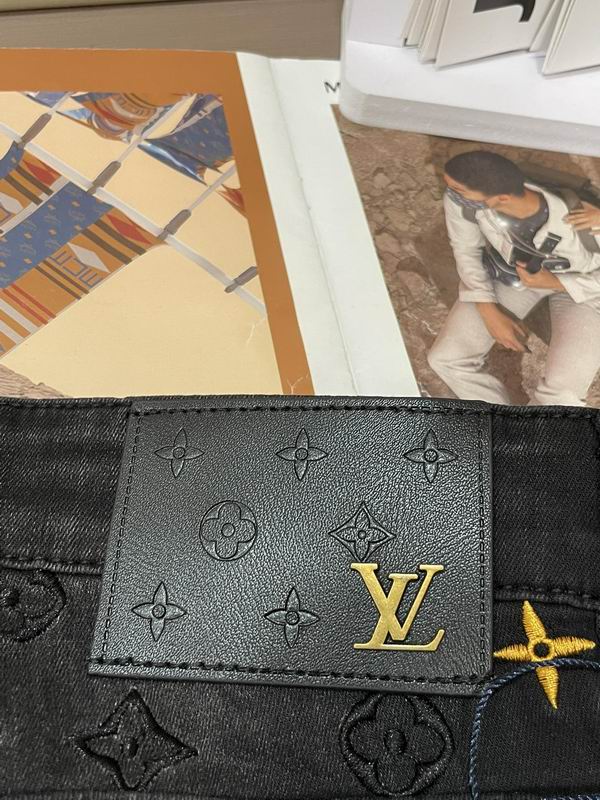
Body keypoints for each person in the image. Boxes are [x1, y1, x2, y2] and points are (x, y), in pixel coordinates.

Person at [427, 150, 600, 406]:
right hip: (514, 277)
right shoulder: (463, 204)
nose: (452, 194)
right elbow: (466, 250)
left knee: (562, 395)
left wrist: (557, 283)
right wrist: (487, 307)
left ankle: (533, 431)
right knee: (447, 358)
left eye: (459, 190)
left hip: (586, 288)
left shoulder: (587, 219)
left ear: (502, 198)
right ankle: (502, 424)